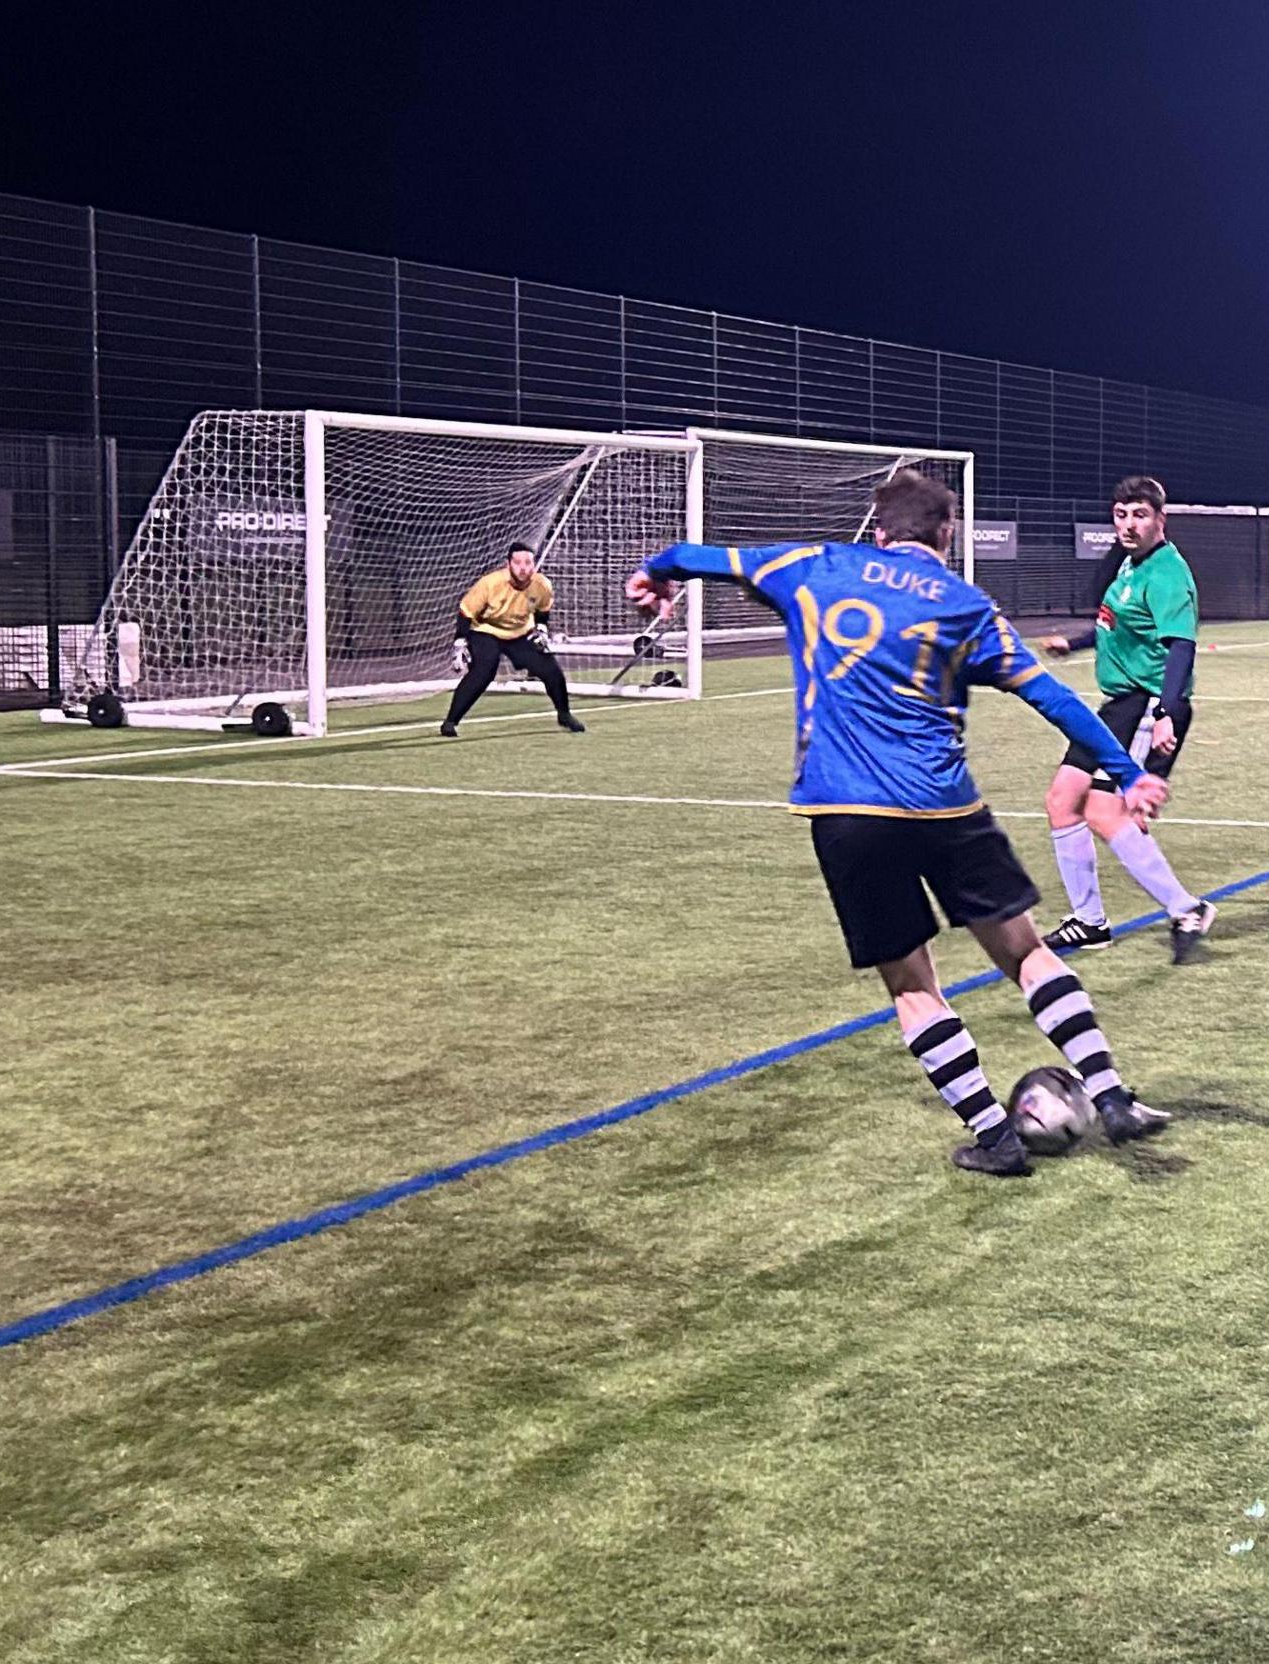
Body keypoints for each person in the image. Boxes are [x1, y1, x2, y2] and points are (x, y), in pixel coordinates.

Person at [627, 466, 1175, 1177]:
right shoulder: (962, 603)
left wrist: (657, 574)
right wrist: (1129, 774)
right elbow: (1055, 700)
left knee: (914, 986)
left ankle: (996, 1139)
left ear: (878, 531)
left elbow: (700, 555)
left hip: (846, 812)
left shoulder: (816, 565)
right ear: (946, 535)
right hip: (947, 809)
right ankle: (1112, 1099)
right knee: (1027, 956)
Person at [1035, 477, 1215, 962]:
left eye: (1139, 514)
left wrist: (1165, 713)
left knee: (1103, 811)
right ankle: (1088, 922)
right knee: (1061, 801)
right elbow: (1118, 628)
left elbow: (1180, 646)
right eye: (1120, 514)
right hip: (1117, 706)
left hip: (1145, 705)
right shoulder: (1130, 567)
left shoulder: (1167, 573)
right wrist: (1071, 644)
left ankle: (1187, 908)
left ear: (1160, 518)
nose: (1128, 524)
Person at [442, 542, 584, 736]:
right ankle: (450, 721)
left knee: (551, 669)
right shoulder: (490, 583)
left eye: (528, 562)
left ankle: (564, 714)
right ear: (508, 564)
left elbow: (543, 611)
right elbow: (466, 613)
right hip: (486, 630)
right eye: (518, 562)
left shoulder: (542, 585)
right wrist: (459, 644)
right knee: (484, 671)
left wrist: (541, 630)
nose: (523, 567)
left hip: (519, 633)